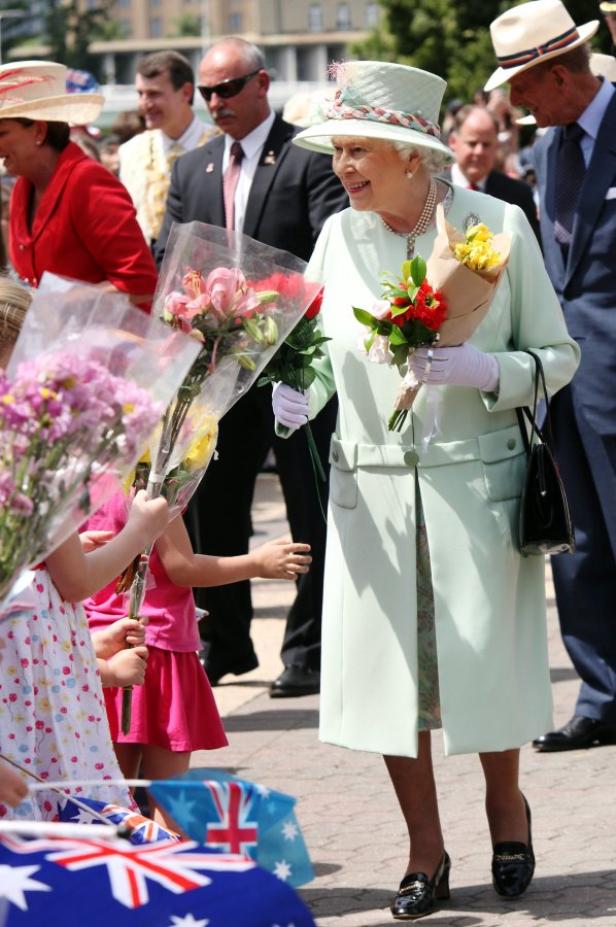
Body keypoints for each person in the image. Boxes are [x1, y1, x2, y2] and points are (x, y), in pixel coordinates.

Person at [273, 59, 579, 918]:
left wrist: (488, 369)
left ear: (412, 153)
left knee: (481, 670)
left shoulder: (498, 224)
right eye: (337, 152)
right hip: (368, 495)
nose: (342, 167)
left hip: (472, 492)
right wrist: (297, 394)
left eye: (358, 150)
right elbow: (317, 353)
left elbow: (558, 358)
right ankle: (425, 851)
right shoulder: (339, 236)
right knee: (389, 683)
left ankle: (506, 809)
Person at [156, 37, 347, 697]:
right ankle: (227, 639)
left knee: (307, 506)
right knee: (215, 502)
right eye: (207, 92)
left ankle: (309, 649)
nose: (215, 103)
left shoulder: (308, 154)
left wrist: (271, 310)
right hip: (217, 370)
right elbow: (172, 254)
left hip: (293, 365)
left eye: (228, 88)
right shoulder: (194, 167)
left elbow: (327, 251)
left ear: (262, 83)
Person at [487, 0, 616, 752]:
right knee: (579, 544)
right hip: (557, 379)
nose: (517, 104)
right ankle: (601, 695)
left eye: (523, 88)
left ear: (560, 75)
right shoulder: (546, 151)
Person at [0, 277, 170, 819]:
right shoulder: (33, 446)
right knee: (56, 810)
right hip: (33, 682)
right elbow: (76, 580)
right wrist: (138, 533)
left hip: (22, 664)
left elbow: (40, 562)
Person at [83, 492, 310, 825]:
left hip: (100, 649)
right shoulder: (153, 487)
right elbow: (182, 567)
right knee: (169, 797)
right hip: (157, 650)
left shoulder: (82, 486)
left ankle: (113, 874)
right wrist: (257, 563)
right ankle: (164, 872)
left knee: (109, 799)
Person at [0, 60, 157, 307]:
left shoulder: (87, 182)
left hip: (110, 342)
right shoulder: (22, 187)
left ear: (39, 131)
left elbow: (141, 283)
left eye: (2, 134)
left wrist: (57, 302)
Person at [119, 51, 218, 249]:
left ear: (186, 92)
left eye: (153, 94)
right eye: (140, 93)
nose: (144, 104)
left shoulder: (222, 144)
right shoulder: (130, 152)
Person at [446, 105, 541, 241]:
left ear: (497, 145)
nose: (479, 152)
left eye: (486, 145)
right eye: (472, 144)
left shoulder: (518, 196)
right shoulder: (431, 190)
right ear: (453, 142)